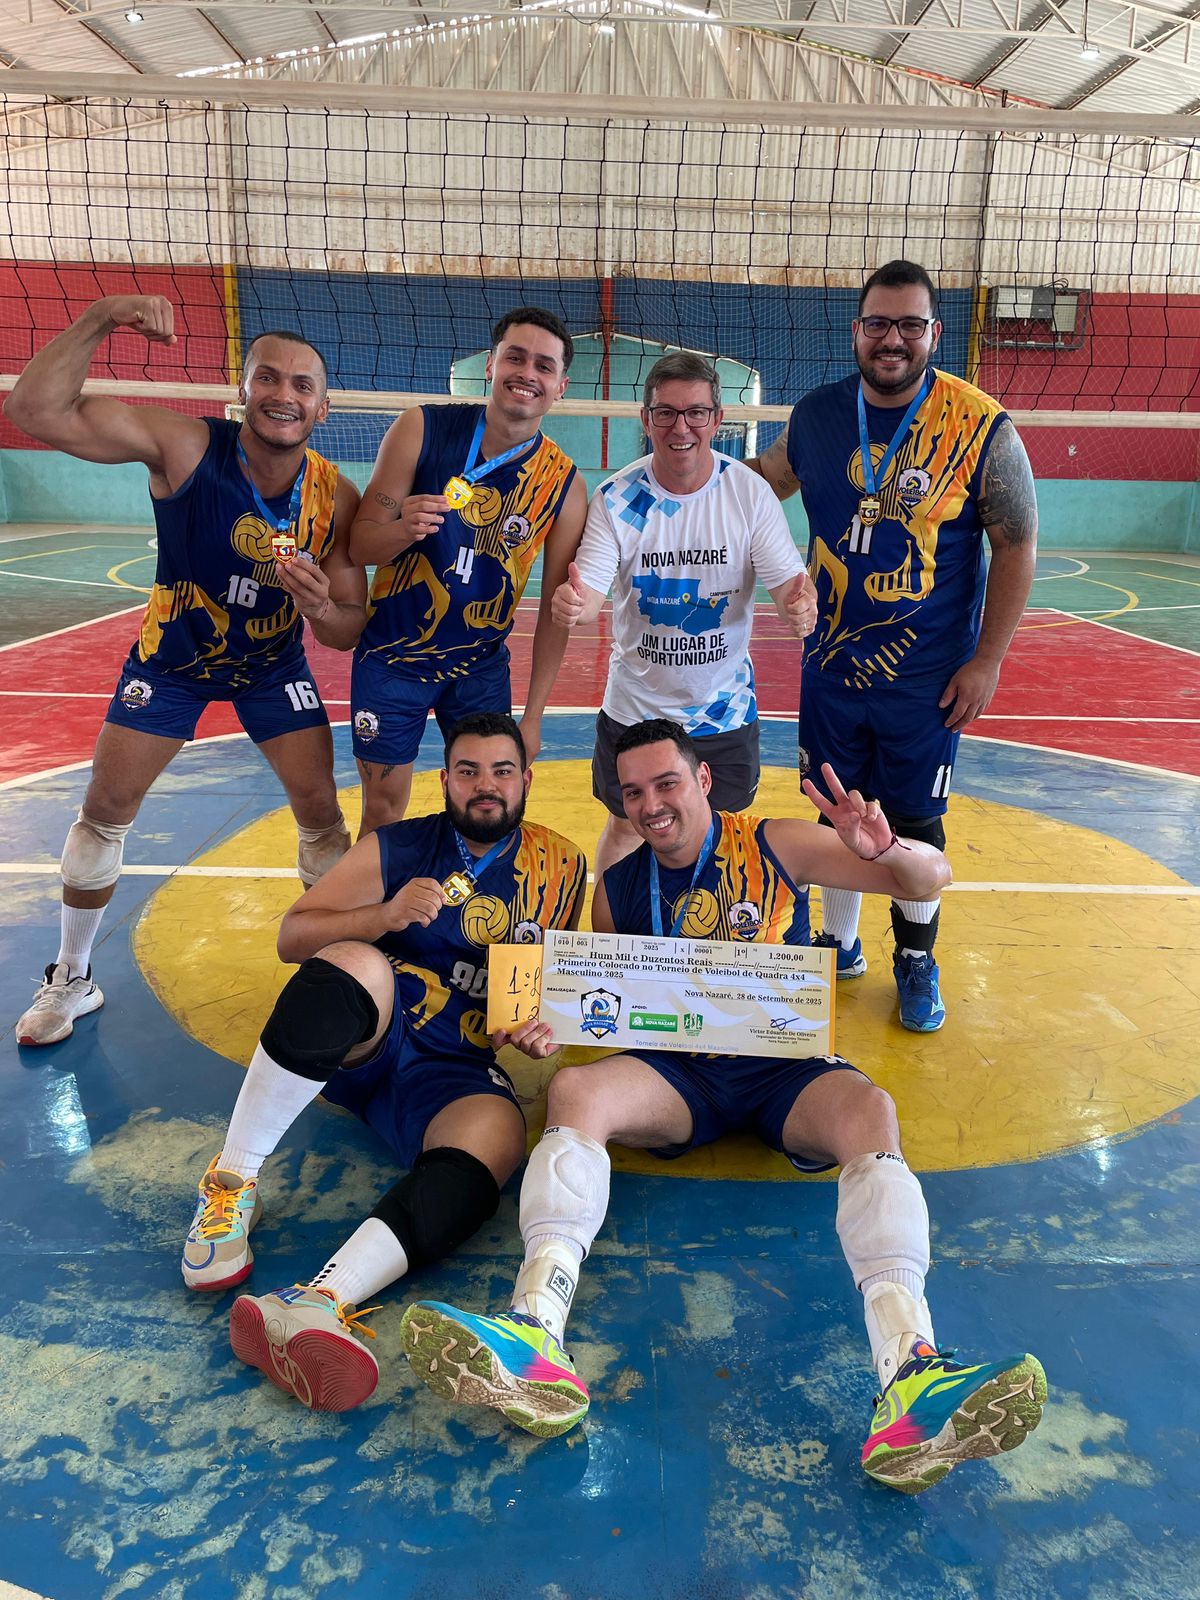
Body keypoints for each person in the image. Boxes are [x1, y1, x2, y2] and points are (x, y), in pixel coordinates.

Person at [398, 719, 1047, 1493]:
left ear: (703, 779)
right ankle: (535, 1328)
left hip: (783, 1068)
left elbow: (929, 881)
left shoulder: (778, 843)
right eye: (633, 792)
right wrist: (550, 1028)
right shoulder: (619, 888)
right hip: (682, 1076)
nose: (650, 804)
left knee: (871, 1111)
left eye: (666, 783)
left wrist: (886, 851)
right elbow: (608, 1005)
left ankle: (912, 1372)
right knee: (574, 1092)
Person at [180, 712, 587, 1413]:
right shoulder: (399, 846)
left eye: (501, 771)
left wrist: (536, 1025)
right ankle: (231, 1183)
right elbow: (293, 936)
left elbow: (555, 978)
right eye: (468, 771)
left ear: (525, 779)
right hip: (374, 1036)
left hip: (454, 1066)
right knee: (354, 960)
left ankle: (318, 1302)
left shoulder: (562, 866)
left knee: (498, 1139)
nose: (485, 786)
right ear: (445, 780)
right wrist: (384, 916)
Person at [7, 297, 365, 1048]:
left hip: (272, 666)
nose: (283, 395)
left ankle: (332, 972)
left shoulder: (337, 497)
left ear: (323, 407)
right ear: (243, 389)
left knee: (321, 813)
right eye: (268, 378)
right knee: (105, 807)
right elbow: (35, 412)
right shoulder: (186, 446)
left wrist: (321, 605)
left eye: (302, 385)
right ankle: (73, 974)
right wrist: (103, 316)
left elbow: (346, 629)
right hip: (172, 663)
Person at [747, 259, 1038, 1032]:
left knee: (912, 820)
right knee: (834, 808)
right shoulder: (817, 415)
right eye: (878, 323)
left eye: (910, 324)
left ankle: (914, 957)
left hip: (927, 677)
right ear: (857, 330)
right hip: (830, 665)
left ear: (934, 333)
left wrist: (987, 660)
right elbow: (761, 480)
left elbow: (1016, 544)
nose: (893, 339)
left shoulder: (980, 426)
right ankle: (839, 944)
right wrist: (675, 476)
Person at [551, 351, 816, 880]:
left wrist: (799, 605)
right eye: (666, 412)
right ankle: (615, 928)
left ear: (717, 420)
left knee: (725, 833)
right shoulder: (618, 498)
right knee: (627, 828)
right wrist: (575, 606)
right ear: (646, 419)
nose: (681, 427)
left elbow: (789, 584)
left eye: (696, 412)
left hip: (722, 709)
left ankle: (713, 926)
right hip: (636, 710)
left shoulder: (748, 493)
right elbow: (591, 594)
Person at [347, 308, 588, 834]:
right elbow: (360, 545)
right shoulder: (421, 427)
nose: (527, 373)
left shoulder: (565, 485)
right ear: (491, 365)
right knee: (382, 813)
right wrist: (402, 529)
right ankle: (375, 893)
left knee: (488, 810)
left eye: (544, 366)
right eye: (515, 357)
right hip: (392, 660)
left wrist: (533, 717)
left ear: (561, 386)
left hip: (478, 671)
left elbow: (556, 612)